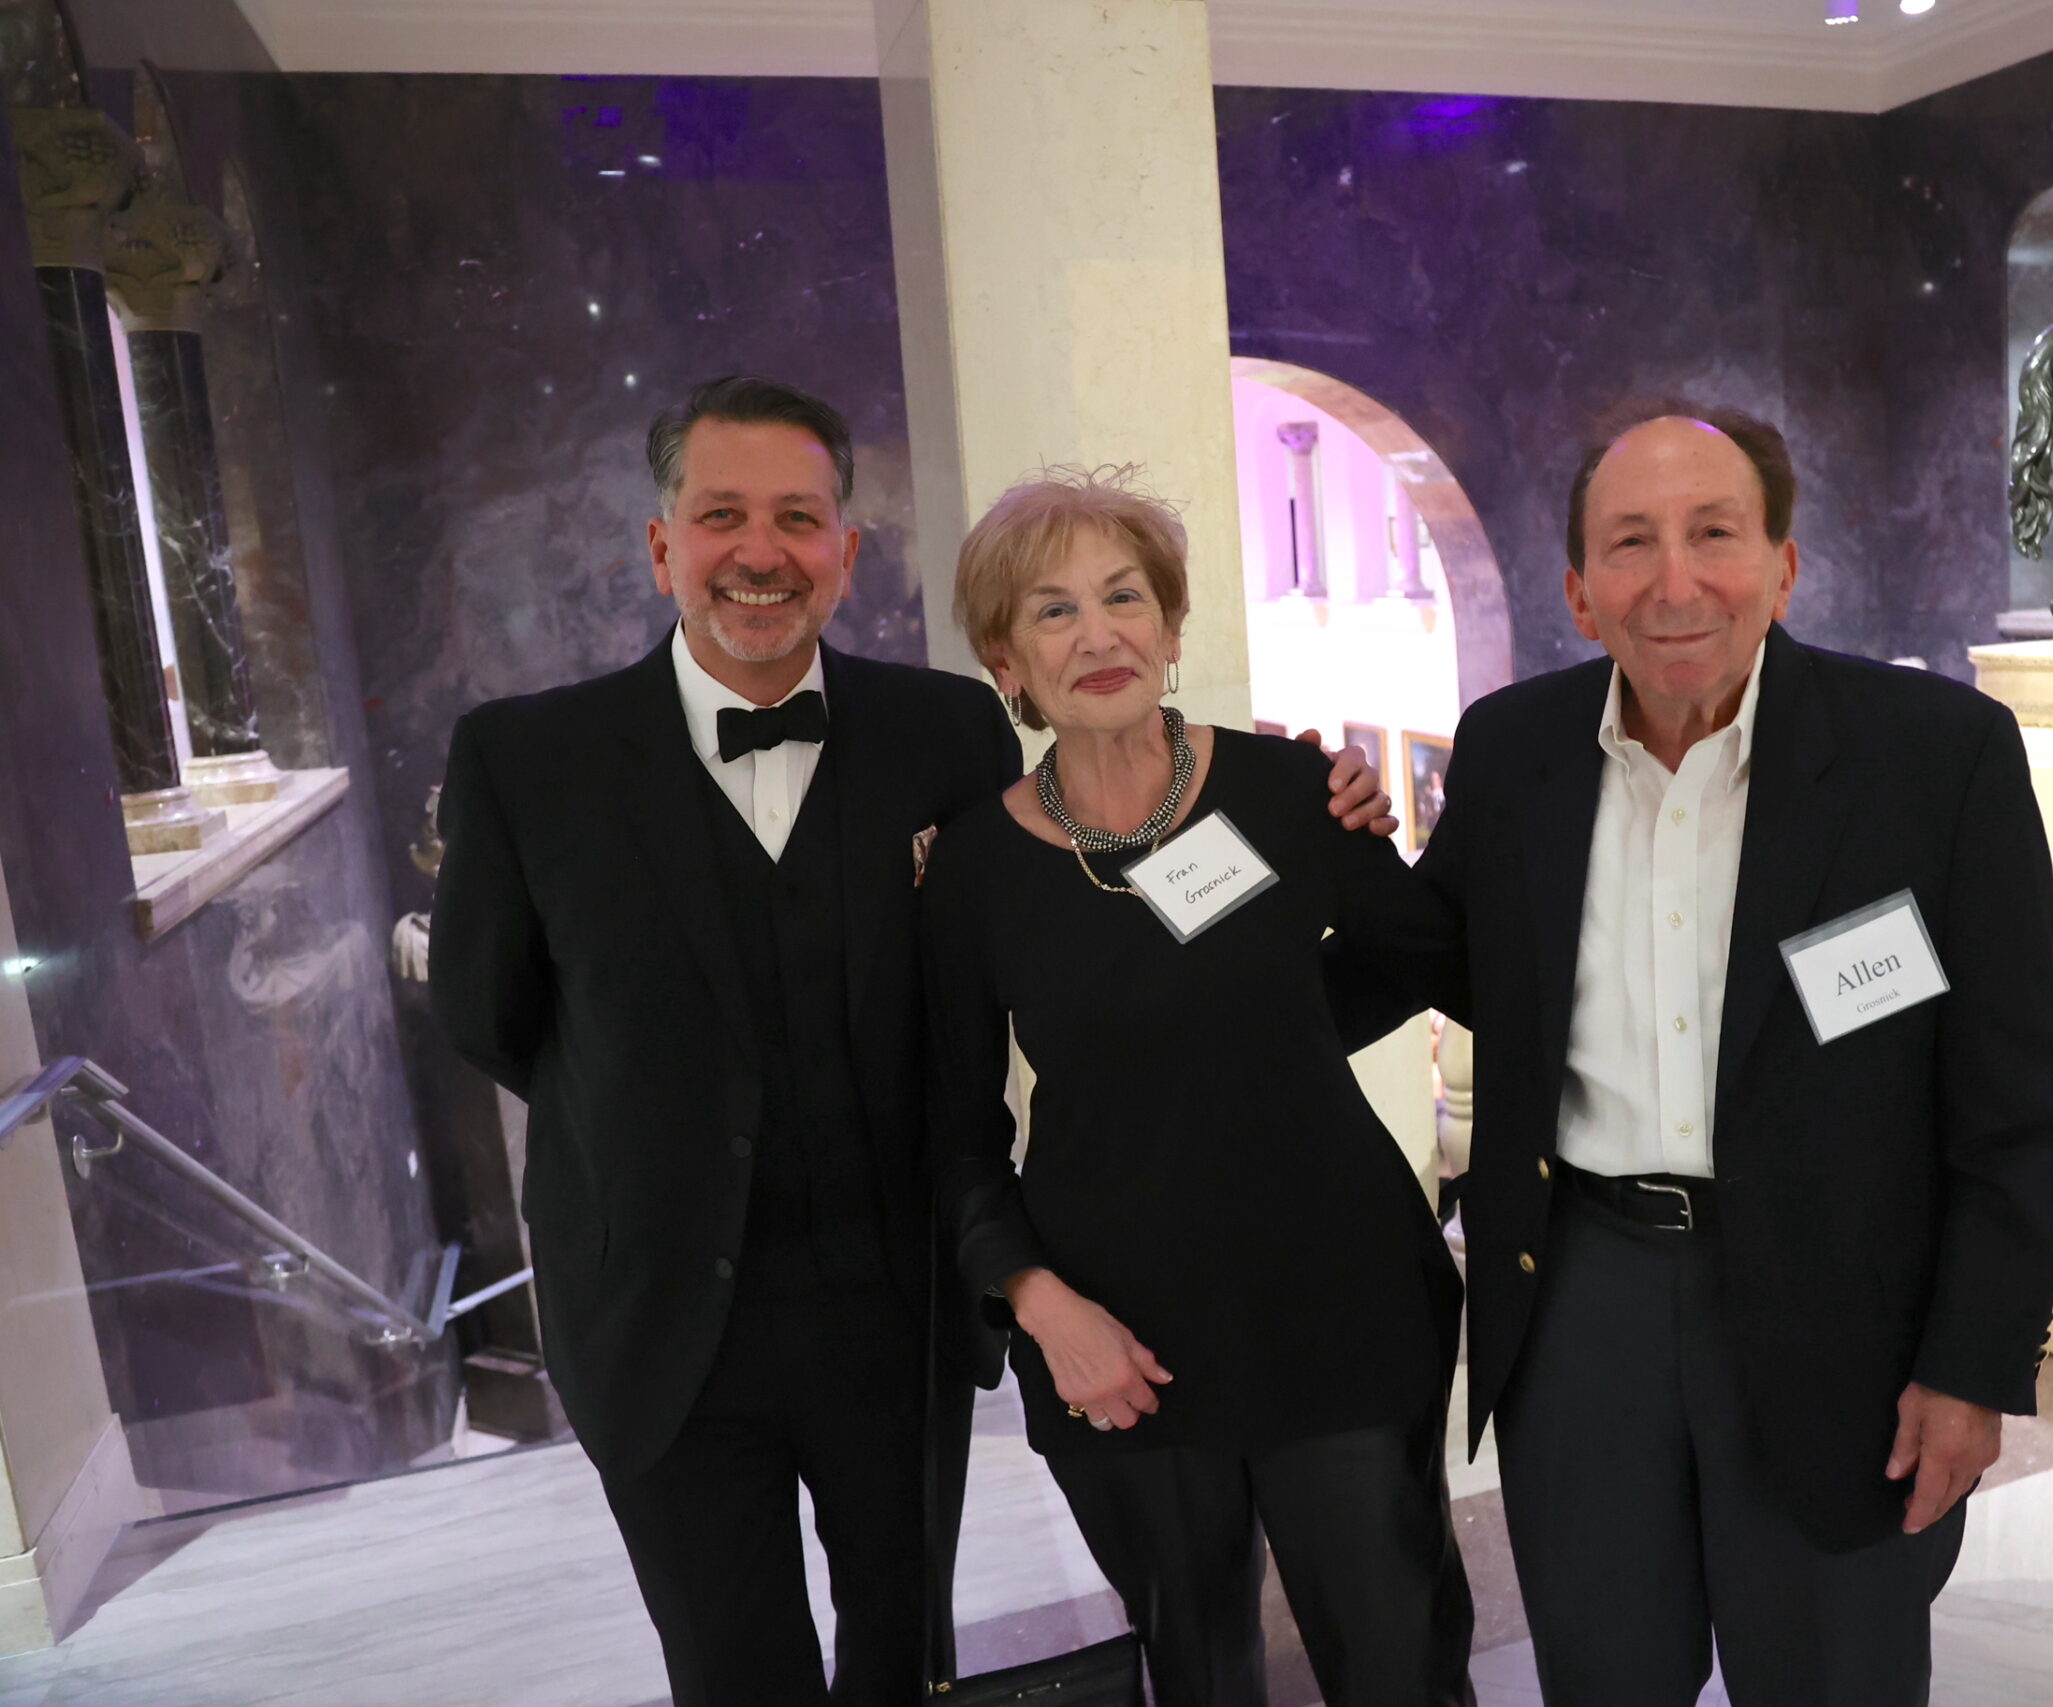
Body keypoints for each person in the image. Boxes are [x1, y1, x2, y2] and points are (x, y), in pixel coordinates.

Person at [429, 379, 1395, 1707]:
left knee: (906, 1658)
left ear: (844, 550)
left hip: (894, 1315)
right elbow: (489, 1017)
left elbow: (1072, 920)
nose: (760, 552)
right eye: (722, 516)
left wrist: (1317, 798)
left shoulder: (941, 733)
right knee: (731, 1668)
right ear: (663, 546)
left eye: (797, 517)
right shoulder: (525, 758)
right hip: (659, 1321)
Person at [1330, 407, 2053, 1707]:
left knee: (1836, 1671)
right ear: (1577, 589)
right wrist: (1310, 844)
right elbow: (1431, 959)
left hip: (1841, 1308)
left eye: (1715, 534)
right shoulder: (1515, 750)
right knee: (1607, 1671)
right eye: (1631, 542)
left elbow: (2015, 1112)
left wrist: (1972, 1365)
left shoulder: (1934, 758)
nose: (1675, 582)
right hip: (1581, 1303)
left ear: (1784, 565)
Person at [923, 468, 1477, 1707]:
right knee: (1200, 1676)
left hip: (1337, 1305)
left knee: (1400, 1665)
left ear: (1173, 631)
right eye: (1053, 610)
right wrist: (1038, 1301)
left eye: (1125, 598)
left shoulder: (1290, 793)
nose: (1098, 633)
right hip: (1120, 1335)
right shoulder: (972, 870)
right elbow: (951, 1131)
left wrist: (1277, 1028)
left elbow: (1431, 958)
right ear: (1007, 660)